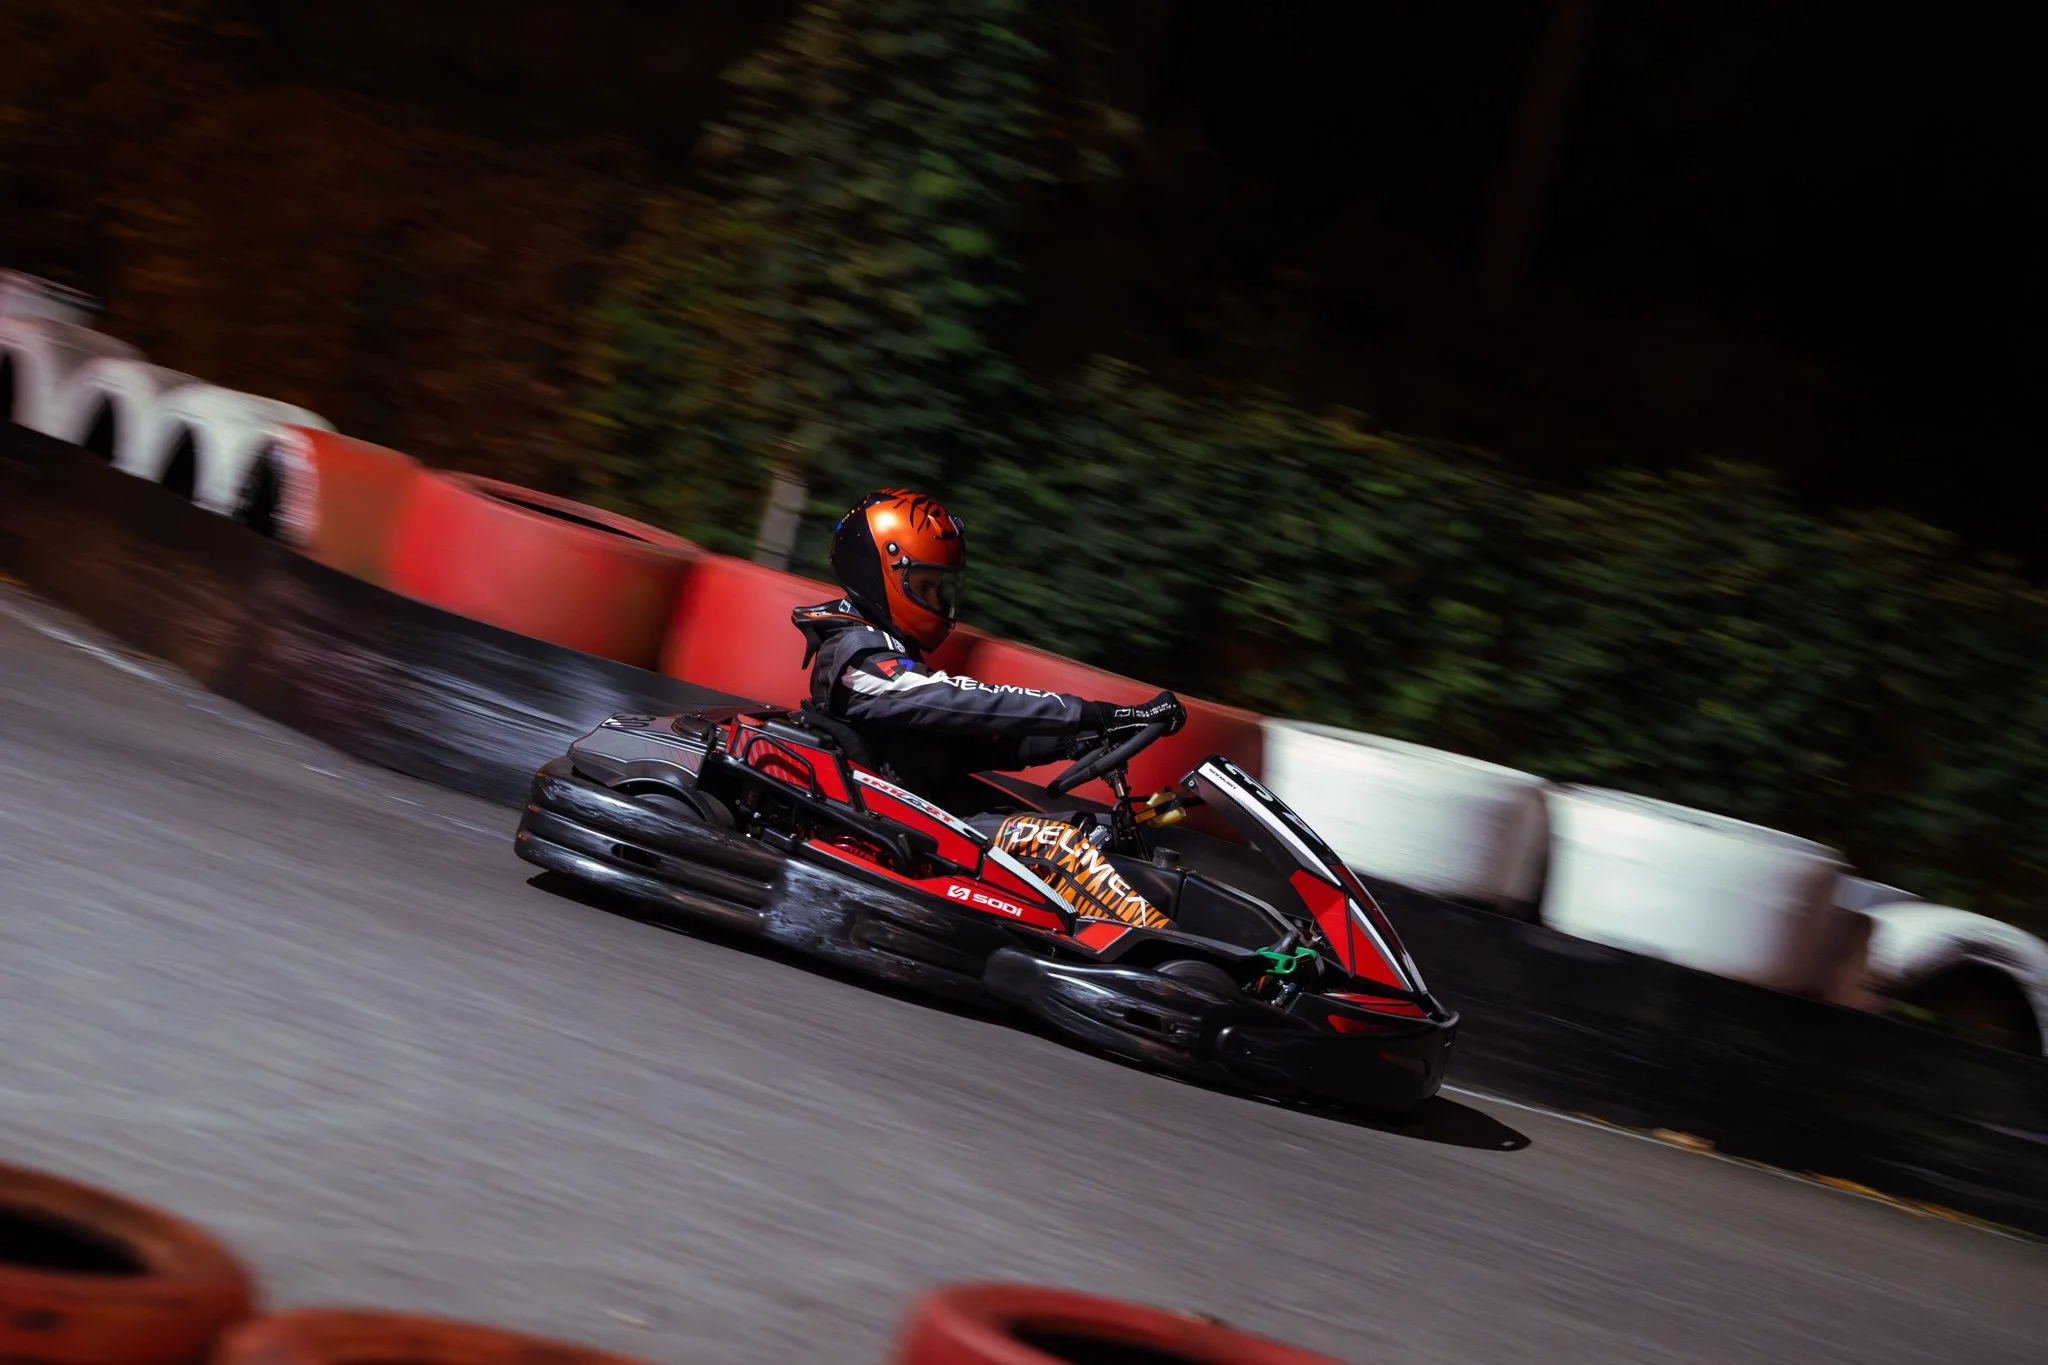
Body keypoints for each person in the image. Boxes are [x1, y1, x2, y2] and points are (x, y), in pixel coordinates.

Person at [792, 488, 1186, 928]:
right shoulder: (854, 658)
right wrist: (1090, 712)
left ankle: (1195, 938)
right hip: (898, 827)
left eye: (941, 588)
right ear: (880, 572)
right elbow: (966, 704)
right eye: (925, 586)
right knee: (1055, 844)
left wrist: (1071, 740)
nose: (940, 601)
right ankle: (1170, 959)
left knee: (1095, 831)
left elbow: (969, 745)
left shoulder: (887, 652)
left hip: (932, 811)